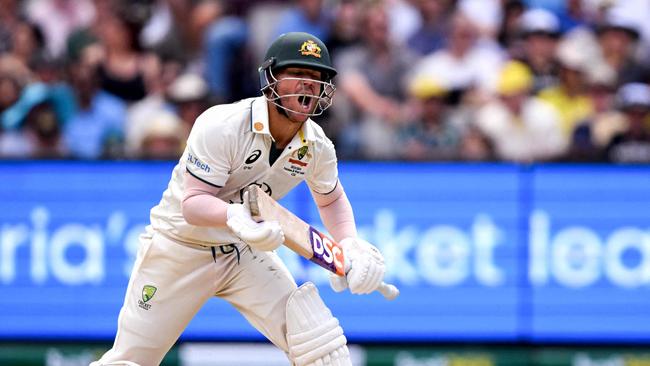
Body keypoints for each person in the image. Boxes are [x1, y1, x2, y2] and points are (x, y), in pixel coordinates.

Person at [91, 31, 387, 366]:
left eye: (316, 78)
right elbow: (194, 203)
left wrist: (350, 244)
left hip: (242, 251)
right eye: (298, 75)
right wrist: (236, 217)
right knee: (129, 362)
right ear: (271, 79)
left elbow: (330, 199)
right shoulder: (224, 125)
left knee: (323, 348)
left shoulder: (316, 145)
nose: (308, 85)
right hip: (180, 247)